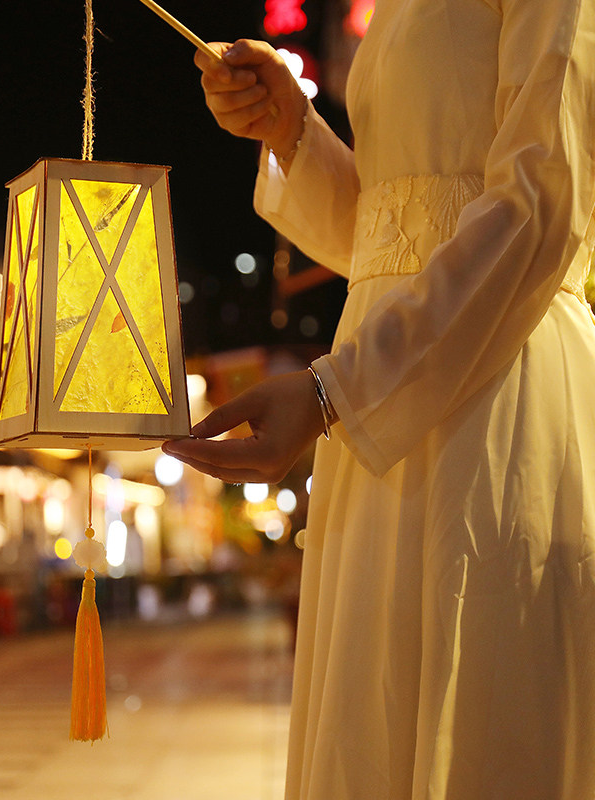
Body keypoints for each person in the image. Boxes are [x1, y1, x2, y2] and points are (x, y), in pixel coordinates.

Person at [162, 0, 595, 796]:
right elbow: (389, 233)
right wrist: (294, 132)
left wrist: (337, 391)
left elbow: (544, 195)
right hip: (380, 391)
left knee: (480, 716)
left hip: (493, 379)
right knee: (379, 718)